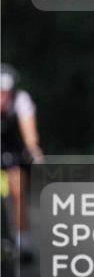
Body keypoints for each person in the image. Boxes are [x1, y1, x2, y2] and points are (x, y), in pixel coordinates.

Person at [0, 63, 44, 258]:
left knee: (18, 188)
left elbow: (29, 131)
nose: (2, 98)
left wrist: (33, 149)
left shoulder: (21, 99)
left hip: (12, 147)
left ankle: (22, 241)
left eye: (6, 93)